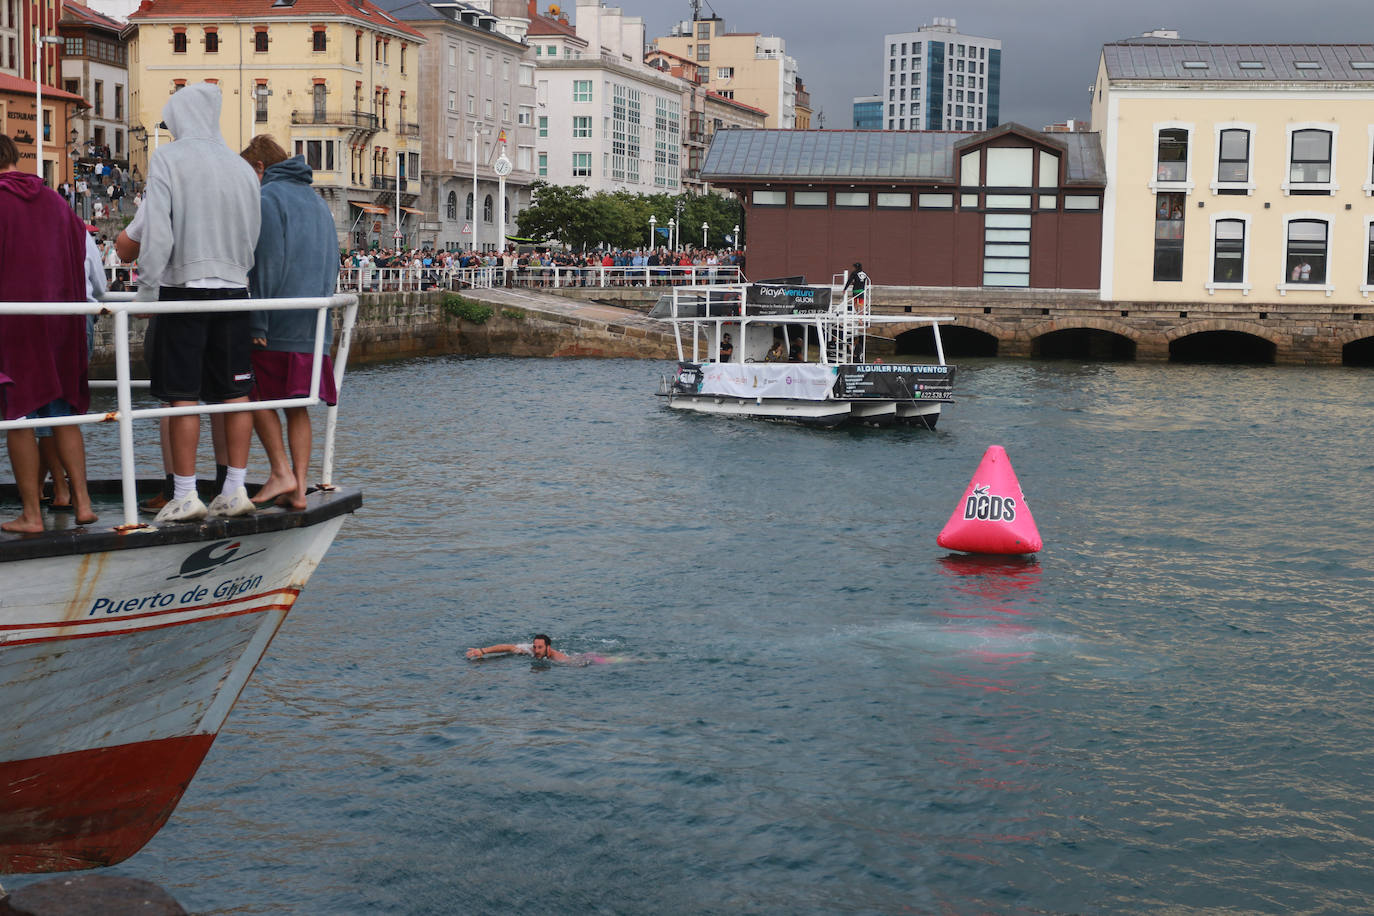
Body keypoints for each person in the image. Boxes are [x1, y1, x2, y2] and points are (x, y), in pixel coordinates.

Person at [136, 82, 262, 523]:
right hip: (234, 288)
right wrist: (236, 270)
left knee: (182, 395)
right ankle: (234, 489)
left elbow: (157, 235)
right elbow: (253, 234)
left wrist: (148, 292)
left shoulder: (168, 158)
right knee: (236, 392)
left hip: (183, 289)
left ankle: (186, 493)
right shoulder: (242, 168)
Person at [0, 132, 97, 531]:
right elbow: (78, 254)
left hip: (13, 323)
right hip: (59, 321)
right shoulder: (55, 201)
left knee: (19, 415)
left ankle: (32, 514)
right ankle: (85, 504)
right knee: (62, 415)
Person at [238, 135, 339, 511]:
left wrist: (258, 323)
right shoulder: (317, 202)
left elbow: (267, 265)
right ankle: (298, 487)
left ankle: (280, 473)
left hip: (278, 323)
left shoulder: (268, 199)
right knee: (298, 408)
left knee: (249, 395)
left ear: (260, 167)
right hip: (314, 326)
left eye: (249, 173)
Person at [466, 634, 570, 662]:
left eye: (540, 647)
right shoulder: (530, 650)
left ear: (548, 648)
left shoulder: (559, 658)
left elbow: (573, 663)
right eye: (535, 647)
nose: (537, 650)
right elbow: (508, 647)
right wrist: (482, 651)